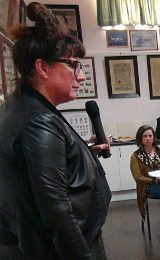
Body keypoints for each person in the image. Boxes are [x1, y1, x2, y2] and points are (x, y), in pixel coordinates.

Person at [0, 3, 111, 258]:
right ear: (42, 67)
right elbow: (56, 211)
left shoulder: (28, 107)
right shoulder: (37, 122)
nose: (81, 76)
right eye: (73, 65)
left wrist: (84, 154)